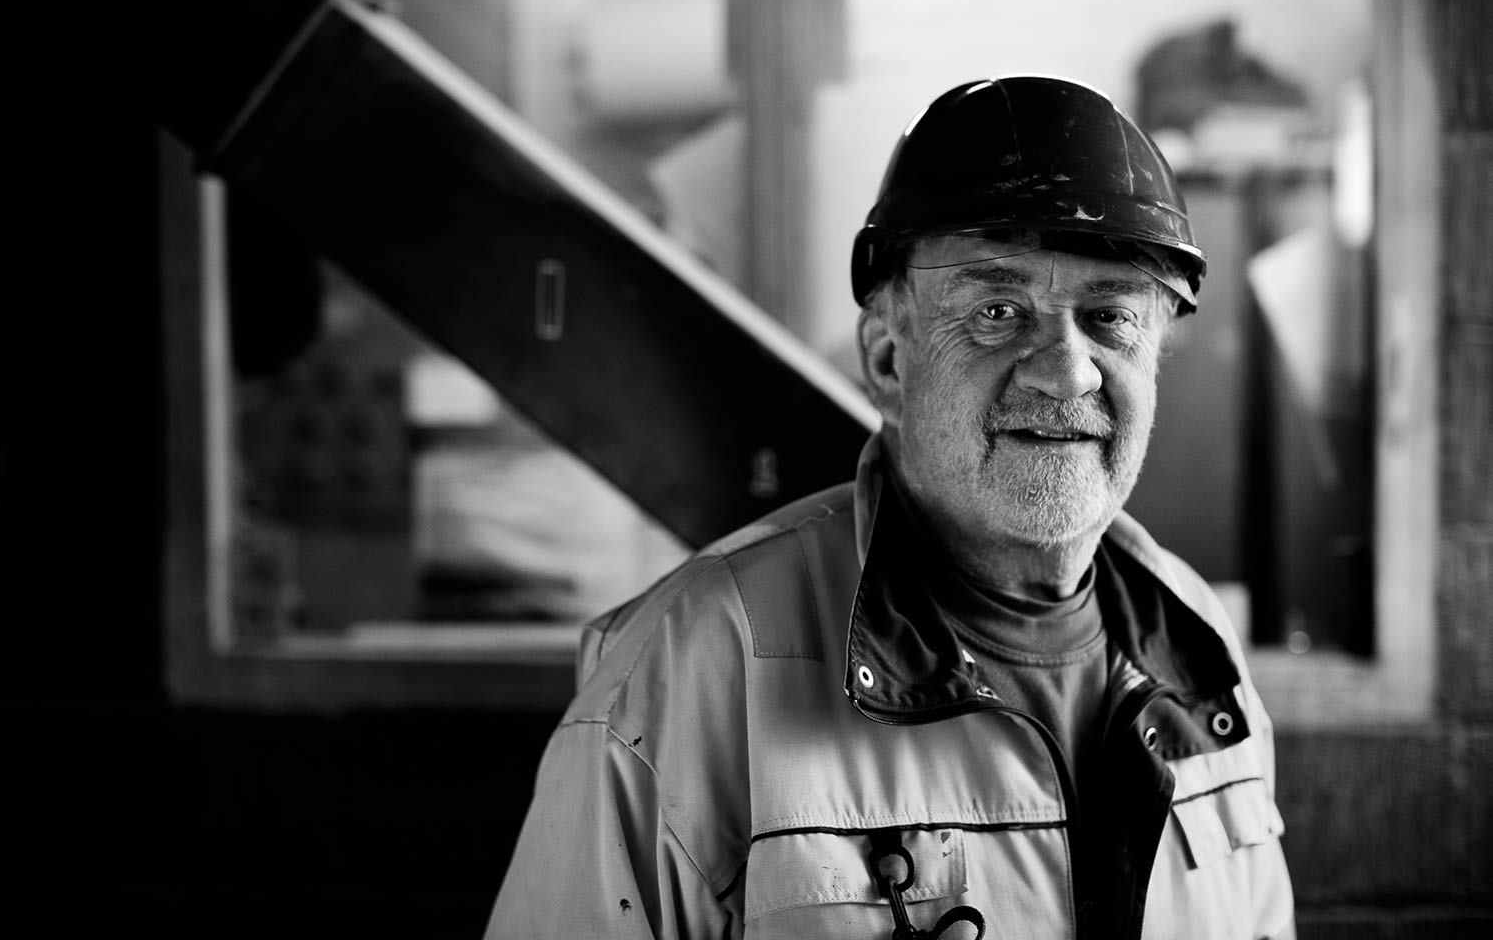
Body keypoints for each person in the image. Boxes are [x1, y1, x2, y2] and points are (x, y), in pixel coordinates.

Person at [485, 76, 1294, 939]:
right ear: (886, 361)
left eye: (1109, 317)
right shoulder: (692, 668)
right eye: (998, 311)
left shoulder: (1199, 649)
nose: (1066, 372)